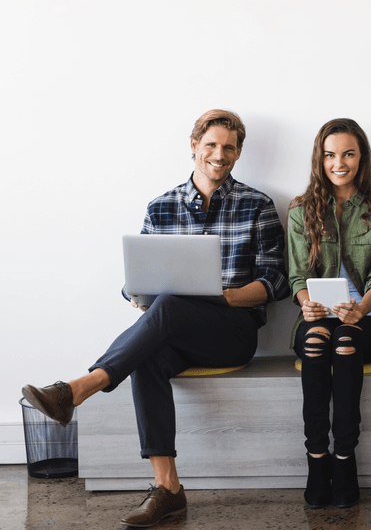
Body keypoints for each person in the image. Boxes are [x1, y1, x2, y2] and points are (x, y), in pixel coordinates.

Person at [22, 109, 287, 528]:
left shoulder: (258, 205)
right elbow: (135, 281)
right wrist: (138, 295)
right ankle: (169, 489)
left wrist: (222, 297)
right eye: (212, 145)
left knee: (170, 304)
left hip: (234, 332)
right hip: (172, 326)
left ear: (238, 153)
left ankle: (79, 387)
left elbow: (275, 281)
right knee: (151, 344)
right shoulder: (161, 207)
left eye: (229, 148)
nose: (220, 155)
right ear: (194, 146)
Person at [287, 119, 371, 509]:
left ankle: (345, 456)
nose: (339, 163)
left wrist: (359, 310)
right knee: (323, 336)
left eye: (349, 154)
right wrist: (306, 302)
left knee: (344, 339)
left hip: (369, 320)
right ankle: (317, 457)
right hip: (317, 318)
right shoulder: (301, 210)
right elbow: (297, 274)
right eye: (330, 154)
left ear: (362, 157)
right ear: (320, 159)